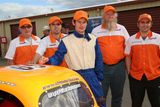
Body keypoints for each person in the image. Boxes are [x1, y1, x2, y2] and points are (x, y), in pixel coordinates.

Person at [46, 10, 106, 107]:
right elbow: (57, 58)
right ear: (74, 23)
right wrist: (48, 61)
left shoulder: (93, 39)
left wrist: (99, 78)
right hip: (76, 77)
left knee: (100, 102)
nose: (81, 25)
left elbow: (99, 60)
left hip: (93, 76)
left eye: (84, 22)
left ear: (87, 23)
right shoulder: (66, 41)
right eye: (79, 22)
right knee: (81, 104)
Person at [92, 5, 129, 107]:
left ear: (115, 16)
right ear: (103, 16)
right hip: (102, 68)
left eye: (112, 14)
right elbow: (91, 51)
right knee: (101, 96)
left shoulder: (122, 29)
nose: (110, 16)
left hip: (119, 67)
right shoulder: (95, 31)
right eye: (107, 14)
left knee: (117, 96)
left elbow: (129, 48)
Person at [125, 13, 160, 107]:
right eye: (142, 22)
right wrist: (129, 72)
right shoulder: (131, 40)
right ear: (138, 24)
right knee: (136, 104)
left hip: (154, 77)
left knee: (157, 103)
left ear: (151, 24)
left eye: (147, 22)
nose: (145, 24)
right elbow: (128, 56)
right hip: (136, 78)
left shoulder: (158, 38)